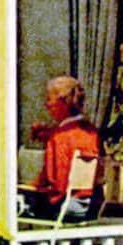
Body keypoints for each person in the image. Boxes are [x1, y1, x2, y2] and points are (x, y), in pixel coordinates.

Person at [21, 75, 101, 221]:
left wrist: (31, 189)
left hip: (64, 206)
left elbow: (58, 185)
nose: (46, 105)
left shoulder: (59, 138)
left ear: (63, 102)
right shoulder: (91, 132)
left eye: (49, 100)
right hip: (90, 204)